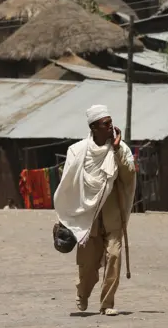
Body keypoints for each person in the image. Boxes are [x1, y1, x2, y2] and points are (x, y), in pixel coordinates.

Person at [54, 105, 136, 316]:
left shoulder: (121, 149)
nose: (111, 127)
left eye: (111, 122)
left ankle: (107, 303)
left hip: (112, 216)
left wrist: (117, 152)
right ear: (93, 127)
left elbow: (128, 179)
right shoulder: (78, 151)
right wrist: (66, 218)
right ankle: (82, 293)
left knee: (114, 256)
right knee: (87, 266)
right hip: (87, 217)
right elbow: (69, 187)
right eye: (105, 124)